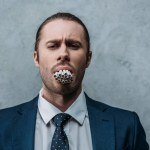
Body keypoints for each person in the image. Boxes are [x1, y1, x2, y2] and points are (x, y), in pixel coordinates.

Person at [0, 12, 149, 150]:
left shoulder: (127, 126)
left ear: (88, 59)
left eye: (73, 45)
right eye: (53, 46)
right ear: (36, 58)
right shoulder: (2, 124)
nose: (63, 54)